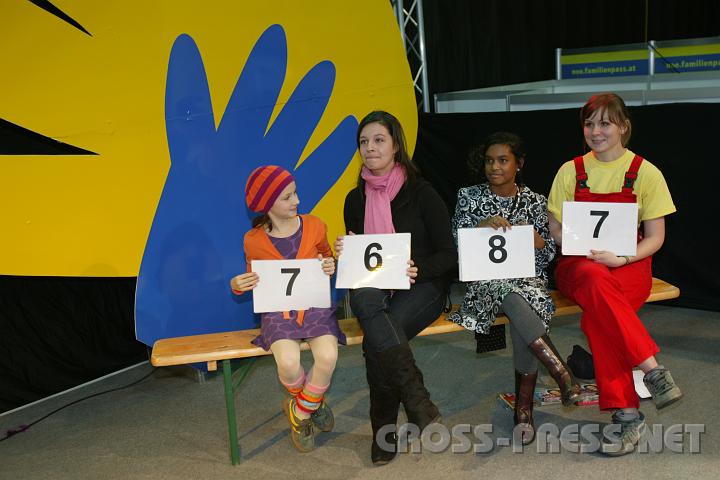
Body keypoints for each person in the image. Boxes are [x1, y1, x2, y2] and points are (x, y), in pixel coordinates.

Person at [547, 93, 682, 456]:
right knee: (594, 278)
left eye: (605, 123)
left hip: (630, 263)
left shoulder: (646, 172)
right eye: (589, 124)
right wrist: (580, 243)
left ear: (623, 127)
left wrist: (621, 258)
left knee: (598, 320)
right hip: (579, 264)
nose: (596, 131)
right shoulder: (570, 170)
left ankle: (627, 416)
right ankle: (651, 368)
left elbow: (655, 238)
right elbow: (555, 228)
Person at [335, 111, 457, 466]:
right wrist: (348, 251)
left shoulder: (422, 193)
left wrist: (418, 268)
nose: (369, 148)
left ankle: (384, 429)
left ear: (396, 146)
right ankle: (417, 400)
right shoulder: (354, 200)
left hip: (422, 284)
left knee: (377, 340)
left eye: (378, 140)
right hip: (375, 286)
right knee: (366, 303)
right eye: (363, 142)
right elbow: (364, 261)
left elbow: (449, 254)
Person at [449, 131, 587, 445]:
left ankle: (524, 409)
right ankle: (560, 375)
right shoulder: (469, 196)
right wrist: (479, 228)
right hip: (485, 281)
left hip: (527, 280)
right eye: (489, 161)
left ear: (519, 164)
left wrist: (536, 240)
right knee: (509, 292)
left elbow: (548, 254)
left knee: (521, 301)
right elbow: (456, 243)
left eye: (502, 160)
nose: (494, 167)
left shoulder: (536, 201)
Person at [229, 165, 345, 453]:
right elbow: (254, 278)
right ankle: (313, 402)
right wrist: (237, 285)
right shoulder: (253, 240)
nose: (297, 201)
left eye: (295, 193)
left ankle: (301, 411)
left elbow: (327, 257)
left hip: (314, 306)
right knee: (289, 363)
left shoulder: (315, 225)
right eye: (287, 197)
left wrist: (329, 265)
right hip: (278, 312)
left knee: (328, 356)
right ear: (267, 204)